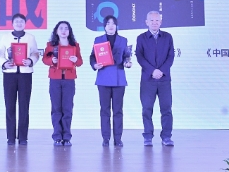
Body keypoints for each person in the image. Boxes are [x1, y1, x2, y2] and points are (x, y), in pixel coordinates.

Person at [0, 13, 40, 146]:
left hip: (25, 74)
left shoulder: (31, 38)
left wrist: (30, 61)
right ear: (12, 23)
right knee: (9, 105)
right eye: (16, 21)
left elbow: (35, 53)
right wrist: (4, 63)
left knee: (24, 105)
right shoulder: (5, 37)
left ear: (25, 23)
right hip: (9, 74)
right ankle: (10, 136)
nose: (19, 23)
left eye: (21, 21)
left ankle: (23, 137)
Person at [90, 15, 132, 147]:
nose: (111, 26)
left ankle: (118, 138)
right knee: (105, 110)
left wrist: (127, 62)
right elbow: (92, 57)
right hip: (103, 78)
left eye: (113, 23)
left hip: (119, 79)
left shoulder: (123, 40)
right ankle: (106, 138)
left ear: (116, 26)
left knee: (118, 110)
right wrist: (94, 65)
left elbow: (126, 56)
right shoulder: (98, 40)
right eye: (108, 23)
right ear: (104, 26)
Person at [135, 10, 176, 147]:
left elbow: (171, 56)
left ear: (161, 22)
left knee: (166, 109)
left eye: (157, 20)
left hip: (164, 79)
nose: (154, 23)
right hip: (148, 80)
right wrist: (152, 71)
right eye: (151, 20)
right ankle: (148, 136)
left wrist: (161, 71)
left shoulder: (168, 37)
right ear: (146, 22)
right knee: (147, 109)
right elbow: (140, 57)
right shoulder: (141, 38)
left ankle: (166, 137)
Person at [42, 21, 83, 146]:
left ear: (69, 31)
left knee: (67, 108)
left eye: (66, 28)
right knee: (56, 109)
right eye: (61, 28)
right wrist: (52, 60)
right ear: (56, 31)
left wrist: (76, 60)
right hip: (55, 79)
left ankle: (67, 136)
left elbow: (80, 62)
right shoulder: (51, 45)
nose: (64, 31)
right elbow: (44, 59)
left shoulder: (74, 45)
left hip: (69, 79)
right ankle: (57, 136)